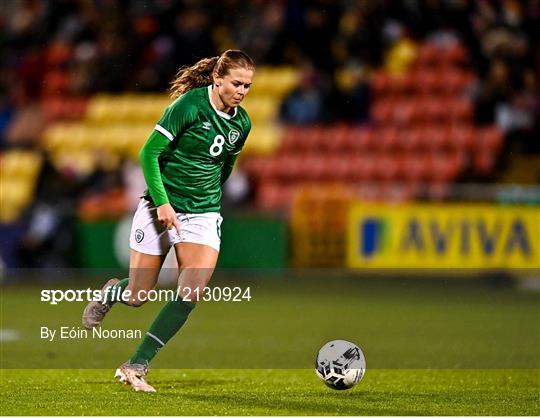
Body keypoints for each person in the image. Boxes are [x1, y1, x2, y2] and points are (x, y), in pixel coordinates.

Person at [81, 50, 255, 392]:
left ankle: (136, 365)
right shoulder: (189, 106)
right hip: (160, 207)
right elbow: (149, 152)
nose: (242, 91)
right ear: (218, 79)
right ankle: (112, 293)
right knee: (137, 295)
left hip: (202, 213)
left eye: (248, 86)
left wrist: (206, 202)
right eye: (236, 83)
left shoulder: (242, 123)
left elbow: (226, 167)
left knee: (191, 292)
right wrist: (162, 203)